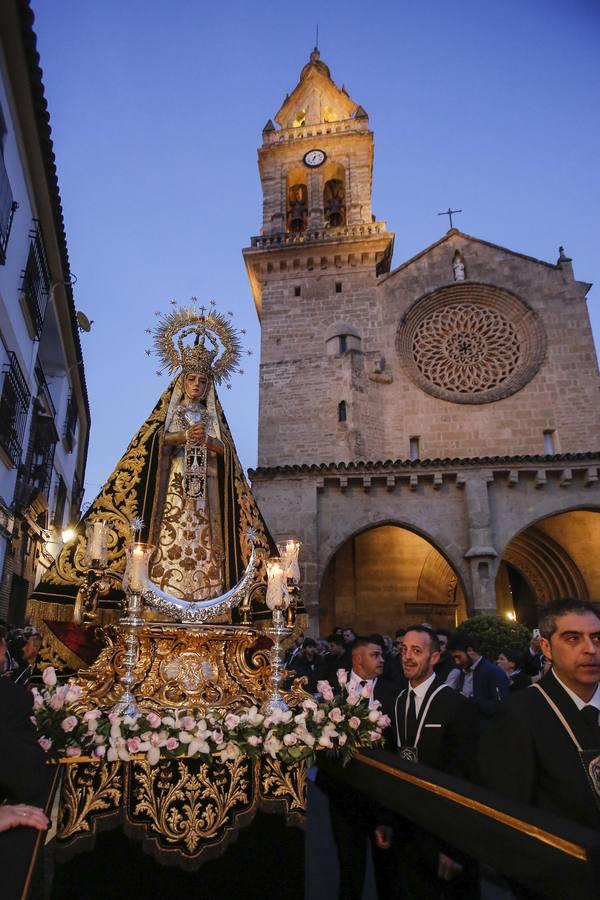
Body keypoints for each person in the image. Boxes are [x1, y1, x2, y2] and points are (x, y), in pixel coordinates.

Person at [27, 305, 276, 659]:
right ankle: (154, 605)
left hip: (209, 504)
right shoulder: (168, 416)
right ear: (181, 381)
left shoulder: (213, 419)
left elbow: (228, 458)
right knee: (161, 550)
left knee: (209, 552)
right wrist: (177, 438)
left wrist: (210, 442)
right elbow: (152, 448)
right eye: (192, 379)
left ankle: (212, 606)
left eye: (204, 381)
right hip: (170, 497)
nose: (197, 385)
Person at [479, 598, 600, 831]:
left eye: (597, 637)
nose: (590, 649)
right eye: (573, 638)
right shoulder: (520, 713)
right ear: (546, 648)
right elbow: (512, 811)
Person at [377, 626, 478, 899]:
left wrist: (454, 847)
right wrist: (387, 820)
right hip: (409, 827)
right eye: (404, 650)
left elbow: (465, 777)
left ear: (435, 657)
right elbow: (394, 764)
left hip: (443, 830)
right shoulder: (398, 701)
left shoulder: (455, 704)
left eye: (417, 651)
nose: (407, 657)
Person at [321, 638, 396, 900]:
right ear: (358, 659)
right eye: (375, 655)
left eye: (382, 655)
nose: (382, 660)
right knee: (349, 866)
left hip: (381, 795)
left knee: (386, 869)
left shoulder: (392, 691)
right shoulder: (333, 690)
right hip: (344, 791)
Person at [447, 631, 509, 722]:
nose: (457, 662)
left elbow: (500, 707)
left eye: (458, 657)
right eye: (454, 658)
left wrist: (471, 700)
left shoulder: (493, 672)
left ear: (470, 651)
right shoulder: (462, 672)